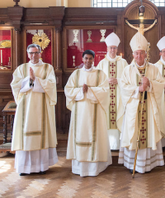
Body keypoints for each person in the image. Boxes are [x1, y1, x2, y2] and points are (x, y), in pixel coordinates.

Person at [118, 32, 165, 174]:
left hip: (149, 107)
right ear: (133, 54)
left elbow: (161, 83)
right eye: (136, 53)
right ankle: (132, 163)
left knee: (149, 132)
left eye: (142, 53)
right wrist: (137, 89)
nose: (139, 56)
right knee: (133, 132)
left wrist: (150, 83)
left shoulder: (153, 69)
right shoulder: (127, 70)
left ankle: (148, 164)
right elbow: (123, 87)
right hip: (134, 107)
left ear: (146, 54)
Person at [10, 44, 58, 176]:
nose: (34, 56)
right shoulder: (21, 69)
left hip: (42, 107)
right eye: (31, 53)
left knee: (41, 135)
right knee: (25, 137)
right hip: (25, 108)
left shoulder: (48, 68)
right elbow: (15, 86)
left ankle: (41, 166)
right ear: (27, 54)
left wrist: (35, 80)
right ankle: (24, 168)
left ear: (41, 53)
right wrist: (29, 80)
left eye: (36, 53)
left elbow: (51, 85)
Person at [64, 50, 111, 177]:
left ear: (94, 59)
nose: (88, 61)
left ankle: (95, 167)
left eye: (90, 58)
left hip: (95, 112)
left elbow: (105, 91)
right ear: (82, 59)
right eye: (86, 58)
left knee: (94, 135)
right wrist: (80, 91)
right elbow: (68, 90)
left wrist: (89, 90)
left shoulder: (100, 74)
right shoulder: (76, 73)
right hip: (80, 112)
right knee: (80, 134)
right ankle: (80, 167)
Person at [96, 32, 128, 150]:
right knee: (107, 118)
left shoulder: (123, 62)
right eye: (111, 48)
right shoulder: (101, 63)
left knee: (119, 115)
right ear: (107, 48)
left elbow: (128, 79)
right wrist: (106, 81)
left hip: (119, 96)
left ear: (117, 48)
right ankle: (107, 145)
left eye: (114, 48)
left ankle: (119, 145)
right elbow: (97, 80)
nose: (113, 50)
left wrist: (118, 80)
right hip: (107, 96)